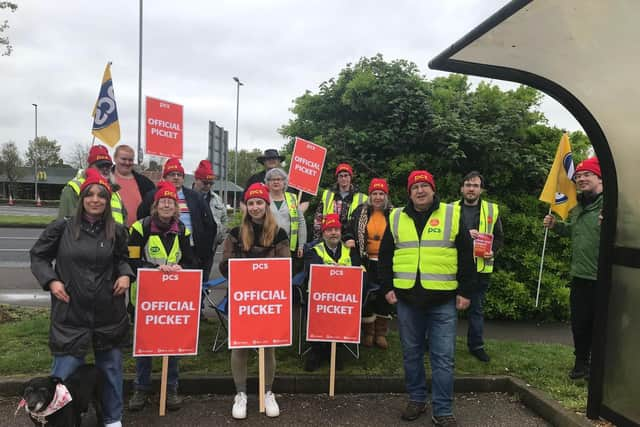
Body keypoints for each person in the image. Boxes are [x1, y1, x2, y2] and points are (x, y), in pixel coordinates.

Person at [30, 168, 133, 427]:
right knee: (62, 374)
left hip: (108, 313)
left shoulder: (117, 231)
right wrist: (51, 280)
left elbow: (123, 259)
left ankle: (112, 418)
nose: (96, 199)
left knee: (110, 370)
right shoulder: (61, 228)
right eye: (91, 194)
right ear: (82, 198)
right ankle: (57, 419)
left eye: (102, 195)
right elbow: (38, 256)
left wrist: (125, 274)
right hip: (70, 313)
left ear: (108, 201)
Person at [378, 170, 474, 426]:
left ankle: (442, 409)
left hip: (443, 301)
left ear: (433, 190)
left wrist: (465, 291)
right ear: (409, 193)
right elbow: (385, 255)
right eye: (415, 187)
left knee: (443, 357)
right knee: (411, 354)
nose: (420, 191)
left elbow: (466, 253)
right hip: (408, 300)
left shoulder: (452, 214)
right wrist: (387, 286)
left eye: (424, 186)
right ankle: (417, 400)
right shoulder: (396, 216)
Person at [219, 182, 290, 420]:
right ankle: (240, 394)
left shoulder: (279, 234)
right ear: (246, 207)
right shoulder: (235, 234)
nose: (255, 207)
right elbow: (223, 265)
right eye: (251, 203)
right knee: (239, 345)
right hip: (243, 298)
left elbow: (285, 266)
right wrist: (241, 269)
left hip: (268, 299)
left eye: (259, 202)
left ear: (266, 205)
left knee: (267, 346)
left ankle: (267, 391)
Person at [127, 181, 197, 411]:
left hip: (173, 299)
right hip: (145, 297)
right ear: (155, 206)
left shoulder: (182, 230)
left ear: (176, 207)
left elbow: (190, 260)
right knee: (145, 346)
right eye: (163, 201)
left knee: (172, 345)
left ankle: (171, 387)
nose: (167, 205)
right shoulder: (139, 228)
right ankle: (141, 388)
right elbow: (132, 260)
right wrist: (153, 269)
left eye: (171, 202)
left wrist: (180, 267)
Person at [543, 157, 603, 380]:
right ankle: (581, 365)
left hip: (603, 278)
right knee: (580, 323)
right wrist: (556, 226)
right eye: (578, 176)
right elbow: (575, 231)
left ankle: (598, 367)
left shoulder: (611, 205)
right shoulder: (578, 207)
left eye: (587, 174)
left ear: (599, 177)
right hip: (579, 276)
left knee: (600, 325)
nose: (581, 179)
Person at [138, 157, 216, 280]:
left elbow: (209, 224)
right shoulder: (152, 196)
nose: (176, 177)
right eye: (172, 174)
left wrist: (205, 250)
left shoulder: (195, 196)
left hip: (191, 250)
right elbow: (141, 219)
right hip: (160, 252)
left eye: (179, 174)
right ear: (165, 176)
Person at [303, 213, 363, 372]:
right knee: (317, 316)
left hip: (343, 297)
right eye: (329, 230)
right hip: (319, 297)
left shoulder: (349, 250)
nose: (334, 233)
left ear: (341, 232)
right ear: (323, 233)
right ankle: (316, 352)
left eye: (336, 229)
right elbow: (312, 272)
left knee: (340, 316)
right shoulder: (314, 250)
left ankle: (334, 352)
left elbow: (358, 271)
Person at [454, 171, 503, 362]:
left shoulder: (492, 210)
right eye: (467, 185)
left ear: (481, 189)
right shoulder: (449, 209)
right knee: (445, 309)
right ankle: (437, 342)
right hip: (453, 267)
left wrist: (494, 250)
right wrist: (466, 234)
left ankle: (476, 346)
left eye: (475, 185)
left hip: (480, 268)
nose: (471, 188)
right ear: (462, 188)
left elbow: (499, 238)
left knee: (476, 309)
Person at [348, 178, 394, 349]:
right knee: (367, 296)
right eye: (374, 193)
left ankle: (381, 333)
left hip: (386, 262)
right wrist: (349, 239)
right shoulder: (360, 212)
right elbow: (348, 230)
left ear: (386, 195)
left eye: (381, 193)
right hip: (365, 261)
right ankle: (368, 332)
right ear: (370, 195)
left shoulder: (394, 214)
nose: (377, 197)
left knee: (384, 295)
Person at [58, 144, 126, 225]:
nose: (105, 169)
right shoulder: (73, 189)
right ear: (90, 167)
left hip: (117, 236)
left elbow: (124, 220)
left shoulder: (115, 192)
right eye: (100, 165)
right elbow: (66, 225)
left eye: (108, 166)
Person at [242, 148, 311, 213]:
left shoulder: (292, 179)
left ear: (279, 161)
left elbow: (305, 201)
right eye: (268, 159)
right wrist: (251, 216)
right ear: (263, 162)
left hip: (287, 222)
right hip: (261, 223)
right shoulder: (254, 179)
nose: (271, 160)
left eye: (274, 158)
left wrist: (297, 215)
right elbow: (242, 201)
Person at [313, 163, 368, 241]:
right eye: (341, 176)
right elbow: (318, 218)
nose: (343, 178)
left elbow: (364, 223)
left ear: (350, 177)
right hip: (330, 237)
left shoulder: (362, 198)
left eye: (346, 175)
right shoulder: (328, 195)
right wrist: (317, 239)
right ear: (337, 178)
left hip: (352, 239)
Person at [265, 167, 307, 267]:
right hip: (267, 246)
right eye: (272, 179)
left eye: (279, 179)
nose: (276, 182)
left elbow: (301, 223)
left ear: (284, 182)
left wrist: (301, 245)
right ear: (268, 183)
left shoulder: (292, 198)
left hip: (288, 247)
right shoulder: (263, 198)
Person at [111, 144, 155, 228]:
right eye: (123, 159)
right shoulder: (104, 181)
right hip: (111, 233)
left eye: (130, 160)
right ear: (115, 158)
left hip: (138, 234)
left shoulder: (146, 183)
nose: (127, 163)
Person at [193, 159, 228, 261]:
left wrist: (220, 237)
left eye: (211, 183)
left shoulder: (217, 199)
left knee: (206, 275)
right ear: (196, 180)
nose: (208, 186)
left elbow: (224, 219)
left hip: (210, 246)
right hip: (190, 247)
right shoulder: (187, 197)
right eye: (205, 183)